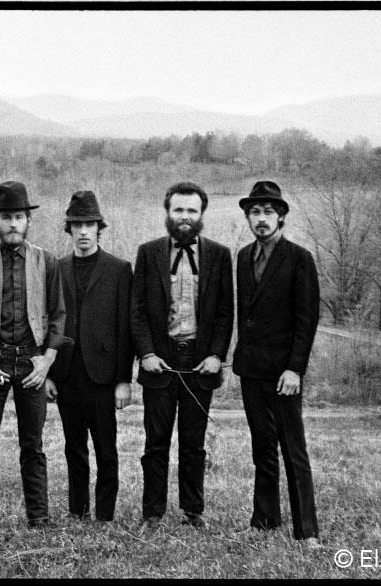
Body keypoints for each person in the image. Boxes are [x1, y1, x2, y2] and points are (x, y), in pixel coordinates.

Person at [0, 181, 68, 540]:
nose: (13, 223)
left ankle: (38, 518)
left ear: (28, 220)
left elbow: (58, 316)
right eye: (6, 217)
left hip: (31, 363)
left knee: (33, 445)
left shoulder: (46, 262)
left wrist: (46, 361)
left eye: (19, 217)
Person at [130, 181, 234, 531]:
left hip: (200, 363)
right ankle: (152, 513)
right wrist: (146, 352)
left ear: (201, 214)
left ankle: (193, 510)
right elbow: (137, 310)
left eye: (192, 210)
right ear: (168, 212)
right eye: (179, 210)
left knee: (194, 443)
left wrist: (216, 355)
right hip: (159, 362)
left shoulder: (219, 255)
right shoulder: (148, 253)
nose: (185, 216)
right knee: (155, 443)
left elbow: (225, 312)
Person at [232, 180, 320, 546]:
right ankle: (264, 519)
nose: (261, 218)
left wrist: (295, 368)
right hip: (251, 369)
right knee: (262, 447)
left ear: (281, 217)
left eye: (269, 212)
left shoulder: (299, 258)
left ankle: (307, 531)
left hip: (284, 373)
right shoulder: (243, 257)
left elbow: (307, 318)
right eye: (255, 212)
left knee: (293, 449)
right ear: (248, 218)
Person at [45, 190, 133, 524]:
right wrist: (48, 373)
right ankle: (77, 510)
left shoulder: (119, 269)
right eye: (77, 225)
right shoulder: (56, 268)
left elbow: (125, 329)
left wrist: (123, 380)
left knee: (106, 449)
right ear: (69, 229)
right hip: (67, 373)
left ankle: (105, 515)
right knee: (74, 447)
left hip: (103, 376)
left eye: (90, 224)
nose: (83, 231)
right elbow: (46, 321)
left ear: (99, 228)